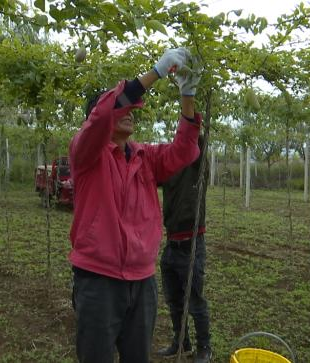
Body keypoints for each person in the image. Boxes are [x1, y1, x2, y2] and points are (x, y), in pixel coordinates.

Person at [68, 48, 202, 363]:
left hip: (142, 281)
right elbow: (105, 111)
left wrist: (188, 94)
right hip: (98, 280)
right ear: (97, 121)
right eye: (122, 108)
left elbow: (184, 150)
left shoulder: (145, 157)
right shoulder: (86, 155)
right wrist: (156, 72)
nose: (130, 111)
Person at [157, 135, 211, 363]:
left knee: (195, 300)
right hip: (172, 244)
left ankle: (204, 348)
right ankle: (181, 343)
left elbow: (198, 140)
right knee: (174, 299)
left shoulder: (195, 166)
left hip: (191, 244)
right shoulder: (169, 168)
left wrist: (190, 119)